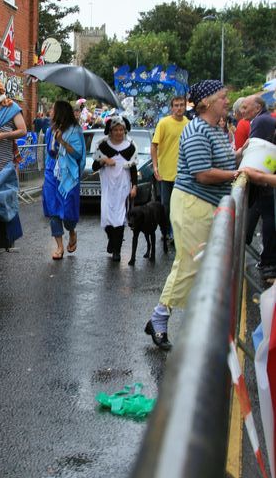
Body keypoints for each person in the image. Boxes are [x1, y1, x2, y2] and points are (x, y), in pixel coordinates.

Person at [144, 80, 239, 350]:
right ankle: (159, 319)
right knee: (188, 265)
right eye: (222, 97)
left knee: (197, 266)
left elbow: (225, 161)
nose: (227, 101)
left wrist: (244, 156)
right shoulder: (197, 130)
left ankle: (189, 323)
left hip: (206, 205)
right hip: (192, 205)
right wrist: (239, 174)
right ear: (206, 102)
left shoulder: (216, 129)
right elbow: (203, 173)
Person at [42, 100, 85, 260]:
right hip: (51, 172)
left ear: (60, 112)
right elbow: (49, 152)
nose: (50, 112)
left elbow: (77, 155)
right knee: (53, 209)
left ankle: (71, 231)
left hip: (68, 174)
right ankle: (59, 246)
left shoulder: (75, 131)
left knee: (67, 213)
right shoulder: (49, 130)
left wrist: (62, 142)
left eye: (53, 109)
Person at [92, 115, 138, 262]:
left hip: (123, 188)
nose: (119, 133)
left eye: (121, 130)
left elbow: (133, 168)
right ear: (110, 131)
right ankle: (111, 239)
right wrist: (104, 160)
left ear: (125, 131)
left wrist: (134, 186)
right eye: (116, 130)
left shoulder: (130, 147)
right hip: (107, 187)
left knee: (120, 218)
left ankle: (117, 251)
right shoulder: (103, 146)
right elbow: (94, 166)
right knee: (107, 218)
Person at [241, 95, 276, 280]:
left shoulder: (261, 121)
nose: (242, 110)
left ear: (257, 107)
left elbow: (257, 150)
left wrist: (259, 176)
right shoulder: (263, 119)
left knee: (266, 217)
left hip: (264, 182)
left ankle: (268, 261)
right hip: (265, 180)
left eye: (246, 107)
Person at [150, 95, 188, 240]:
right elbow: (154, 145)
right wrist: (155, 167)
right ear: (172, 108)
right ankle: (166, 230)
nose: (179, 108)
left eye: (181, 105)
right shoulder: (163, 123)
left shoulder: (189, 123)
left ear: (185, 107)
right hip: (166, 173)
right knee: (166, 206)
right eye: (176, 105)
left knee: (181, 205)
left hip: (184, 173)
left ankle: (176, 232)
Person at [0, 78, 26, 168]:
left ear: (1, 91)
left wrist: (2, 135)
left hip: (4, 160)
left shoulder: (11, 107)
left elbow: (23, 131)